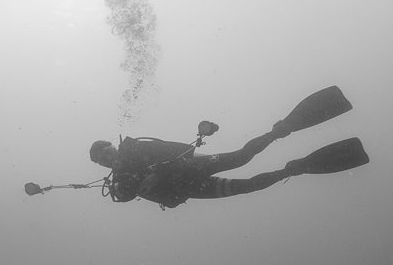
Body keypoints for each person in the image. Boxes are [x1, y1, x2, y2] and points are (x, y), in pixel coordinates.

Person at [89, 86, 370, 209]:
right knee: (249, 186)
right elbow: (123, 198)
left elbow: (171, 150)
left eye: (106, 150)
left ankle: (281, 130)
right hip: (190, 189)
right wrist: (137, 184)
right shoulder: (119, 180)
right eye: (102, 159)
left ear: (112, 145)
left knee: (242, 157)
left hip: (191, 167)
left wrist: (161, 169)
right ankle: (295, 169)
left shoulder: (133, 149)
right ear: (102, 164)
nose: (108, 157)